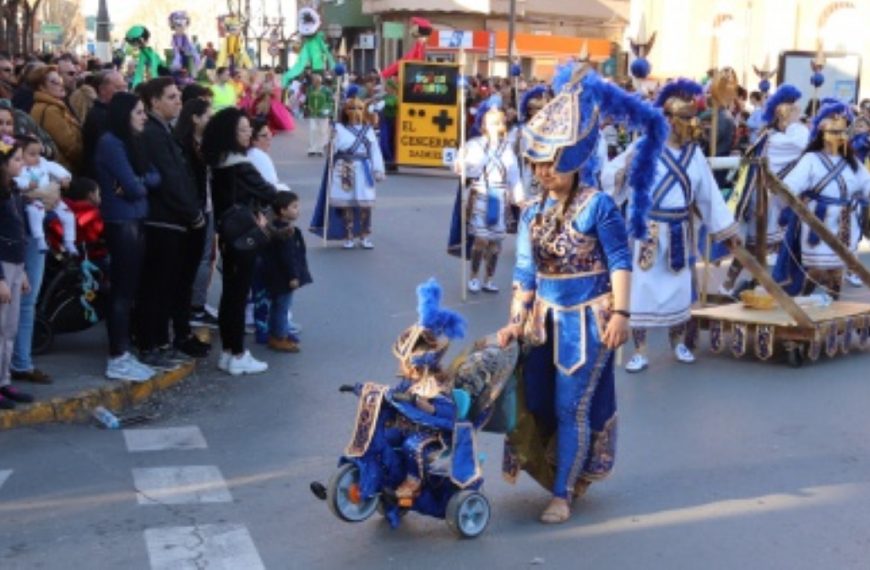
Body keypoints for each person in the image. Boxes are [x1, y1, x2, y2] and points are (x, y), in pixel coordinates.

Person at [497, 61, 668, 524]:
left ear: (574, 159)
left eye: (552, 162)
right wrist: (515, 319)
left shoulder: (599, 206)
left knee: (571, 404)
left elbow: (619, 260)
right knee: (534, 400)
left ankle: (563, 493)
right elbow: (525, 271)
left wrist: (621, 313)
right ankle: (557, 470)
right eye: (537, 163)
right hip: (541, 321)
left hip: (587, 322)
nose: (543, 171)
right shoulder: (531, 212)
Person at [603, 79, 739, 373]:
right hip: (648, 229)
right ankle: (640, 350)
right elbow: (612, 173)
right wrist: (623, 173)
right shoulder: (645, 147)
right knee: (642, 289)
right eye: (686, 118)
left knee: (678, 288)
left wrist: (725, 229)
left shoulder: (695, 154)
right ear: (669, 120)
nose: (693, 124)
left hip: (680, 228)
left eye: (693, 118)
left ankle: (678, 343)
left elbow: (709, 195)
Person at [202, 107, 278, 376]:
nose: (249, 135)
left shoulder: (218, 161)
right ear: (230, 133)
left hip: (226, 233)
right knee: (237, 295)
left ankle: (228, 352)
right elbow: (269, 192)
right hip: (243, 234)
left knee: (230, 295)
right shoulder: (240, 165)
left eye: (249, 130)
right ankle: (237, 353)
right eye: (243, 130)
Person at [137, 77, 206, 368]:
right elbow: (170, 177)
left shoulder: (162, 130)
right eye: (171, 97)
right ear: (154, 101)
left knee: (167, 286)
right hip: (163, 220)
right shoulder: (153, 133)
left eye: (178, 96)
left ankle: (160, 342)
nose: (178, 101)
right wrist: (193, 213)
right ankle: (150, 345)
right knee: (156, 287)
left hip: (173, 219)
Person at [95, 92, 162, 381]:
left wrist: (139, 182)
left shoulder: (130, 141)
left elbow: (153, 176)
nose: (144, 117)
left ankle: (123, 352)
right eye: (138, 112)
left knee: (129, 289)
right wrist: (138, 183)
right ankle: (118, 357)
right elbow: (134, 188)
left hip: (134, 218)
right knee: (122, 292)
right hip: (122, 221)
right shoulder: (111, 143)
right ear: (124, 114)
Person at [773, 101, 870, 299]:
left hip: (845, 225)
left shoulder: (852, 162)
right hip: (817, 223)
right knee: (816, 272)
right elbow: (789, 187)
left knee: (837, 274)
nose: (837, 137)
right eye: (833, 132)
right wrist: (789, 199)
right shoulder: (810, 160)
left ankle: (832, 313)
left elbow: (866, 185)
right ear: (822, 134)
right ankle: (804, 308)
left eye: (841, 132)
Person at [720, 84, 809, 296]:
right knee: (759, 245)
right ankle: (742, 285)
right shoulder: (784, 139)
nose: (799, 115)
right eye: (795, 111)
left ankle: (747, 284)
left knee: (762, 245)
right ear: (786, 114)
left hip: (767, 197)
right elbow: (805, 140)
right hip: (770, 200)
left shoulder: (769, 136)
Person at [448, 94, 523, 292]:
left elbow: (514, 176)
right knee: (480, 239)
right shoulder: (474, 145)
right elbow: (465, 170)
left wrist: (519, 197)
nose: (494, 127)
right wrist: (460, 162)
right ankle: (473, 276)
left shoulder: (508, 149)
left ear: (502, 125)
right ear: (484, 124)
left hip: (499, 198)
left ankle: (489, 278)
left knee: (496, 243)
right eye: (490, 123)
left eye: (498, 123)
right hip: (480, 194)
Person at [311, 86, 385, 249]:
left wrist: (378, 169)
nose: (356, 111)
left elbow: (374, 151)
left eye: (359, 108)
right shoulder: (338, 128)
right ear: (345, 110)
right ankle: (349, 235)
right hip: (344, 168)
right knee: (347, 204)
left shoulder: (368, 130)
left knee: (365, 204)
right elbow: (331, 151)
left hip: (363, 168)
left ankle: (365, 235)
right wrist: (331, 140)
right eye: (352, 108)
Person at [172, 97, 214, 357]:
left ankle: (194, 309)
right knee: (196, 261)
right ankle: (194, 308)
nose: (210, 121)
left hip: (205, 207)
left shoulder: (202, 145)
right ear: (195, 118)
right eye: (207, 116)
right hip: (195, 211)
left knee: (205, 257)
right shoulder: (184, 147)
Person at [0, 136, 35, 409]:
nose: (22, 164)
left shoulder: (13, 192)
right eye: (17, 159)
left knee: (9, 327)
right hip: (3, 265)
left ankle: (4, 379)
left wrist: (21, 271)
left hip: (15, 263)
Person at [263, 191, 311, 352]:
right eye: (294, 207)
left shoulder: (273, 228)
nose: (298, 210)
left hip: (274, 274)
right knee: (282, 307)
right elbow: (288, 256)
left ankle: (274, 333)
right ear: (283, 210)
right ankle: (280, 337)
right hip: (284, 277)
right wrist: (293, 276)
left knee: (276, 306)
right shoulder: (286, 232)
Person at [14, 135, 77, 254]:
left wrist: (65, 177)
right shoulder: (20, 168)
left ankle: (69, 241)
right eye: (32, 154)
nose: (37, 157)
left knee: (68, 214)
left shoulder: (43, 163)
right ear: (20, 154)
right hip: (34, 198)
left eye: (39, 153)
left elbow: (57, 168)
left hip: (52, 196)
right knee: (35, 212)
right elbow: (16, 181)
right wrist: (27, 184)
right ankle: (39, 238)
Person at [29, 65, 83, 173]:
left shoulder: (51, 105)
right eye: (54, 82)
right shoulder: (51, 110)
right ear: (41, 87)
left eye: (60, 80)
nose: (60, 85)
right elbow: (69, 146)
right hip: (61, 169)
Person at [82, 70, 128, 178]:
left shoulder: (111, 112)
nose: (123, 92)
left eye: (124, 87)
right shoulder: (100, 116)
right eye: (118, 88)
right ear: (102, 90)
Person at [304, 73, 332, 156]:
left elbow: (330, 101)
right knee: (313, 130)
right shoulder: (310, 89)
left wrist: (328, 110)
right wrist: (306, 108)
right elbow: (307, 99)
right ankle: (312, 149)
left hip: (323, 114)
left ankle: (320, 149)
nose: (314, 82)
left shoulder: (326, 90)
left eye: (316, 81)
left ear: (320, 81)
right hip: (313, 113)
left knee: (322, 131)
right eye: (313, 81)